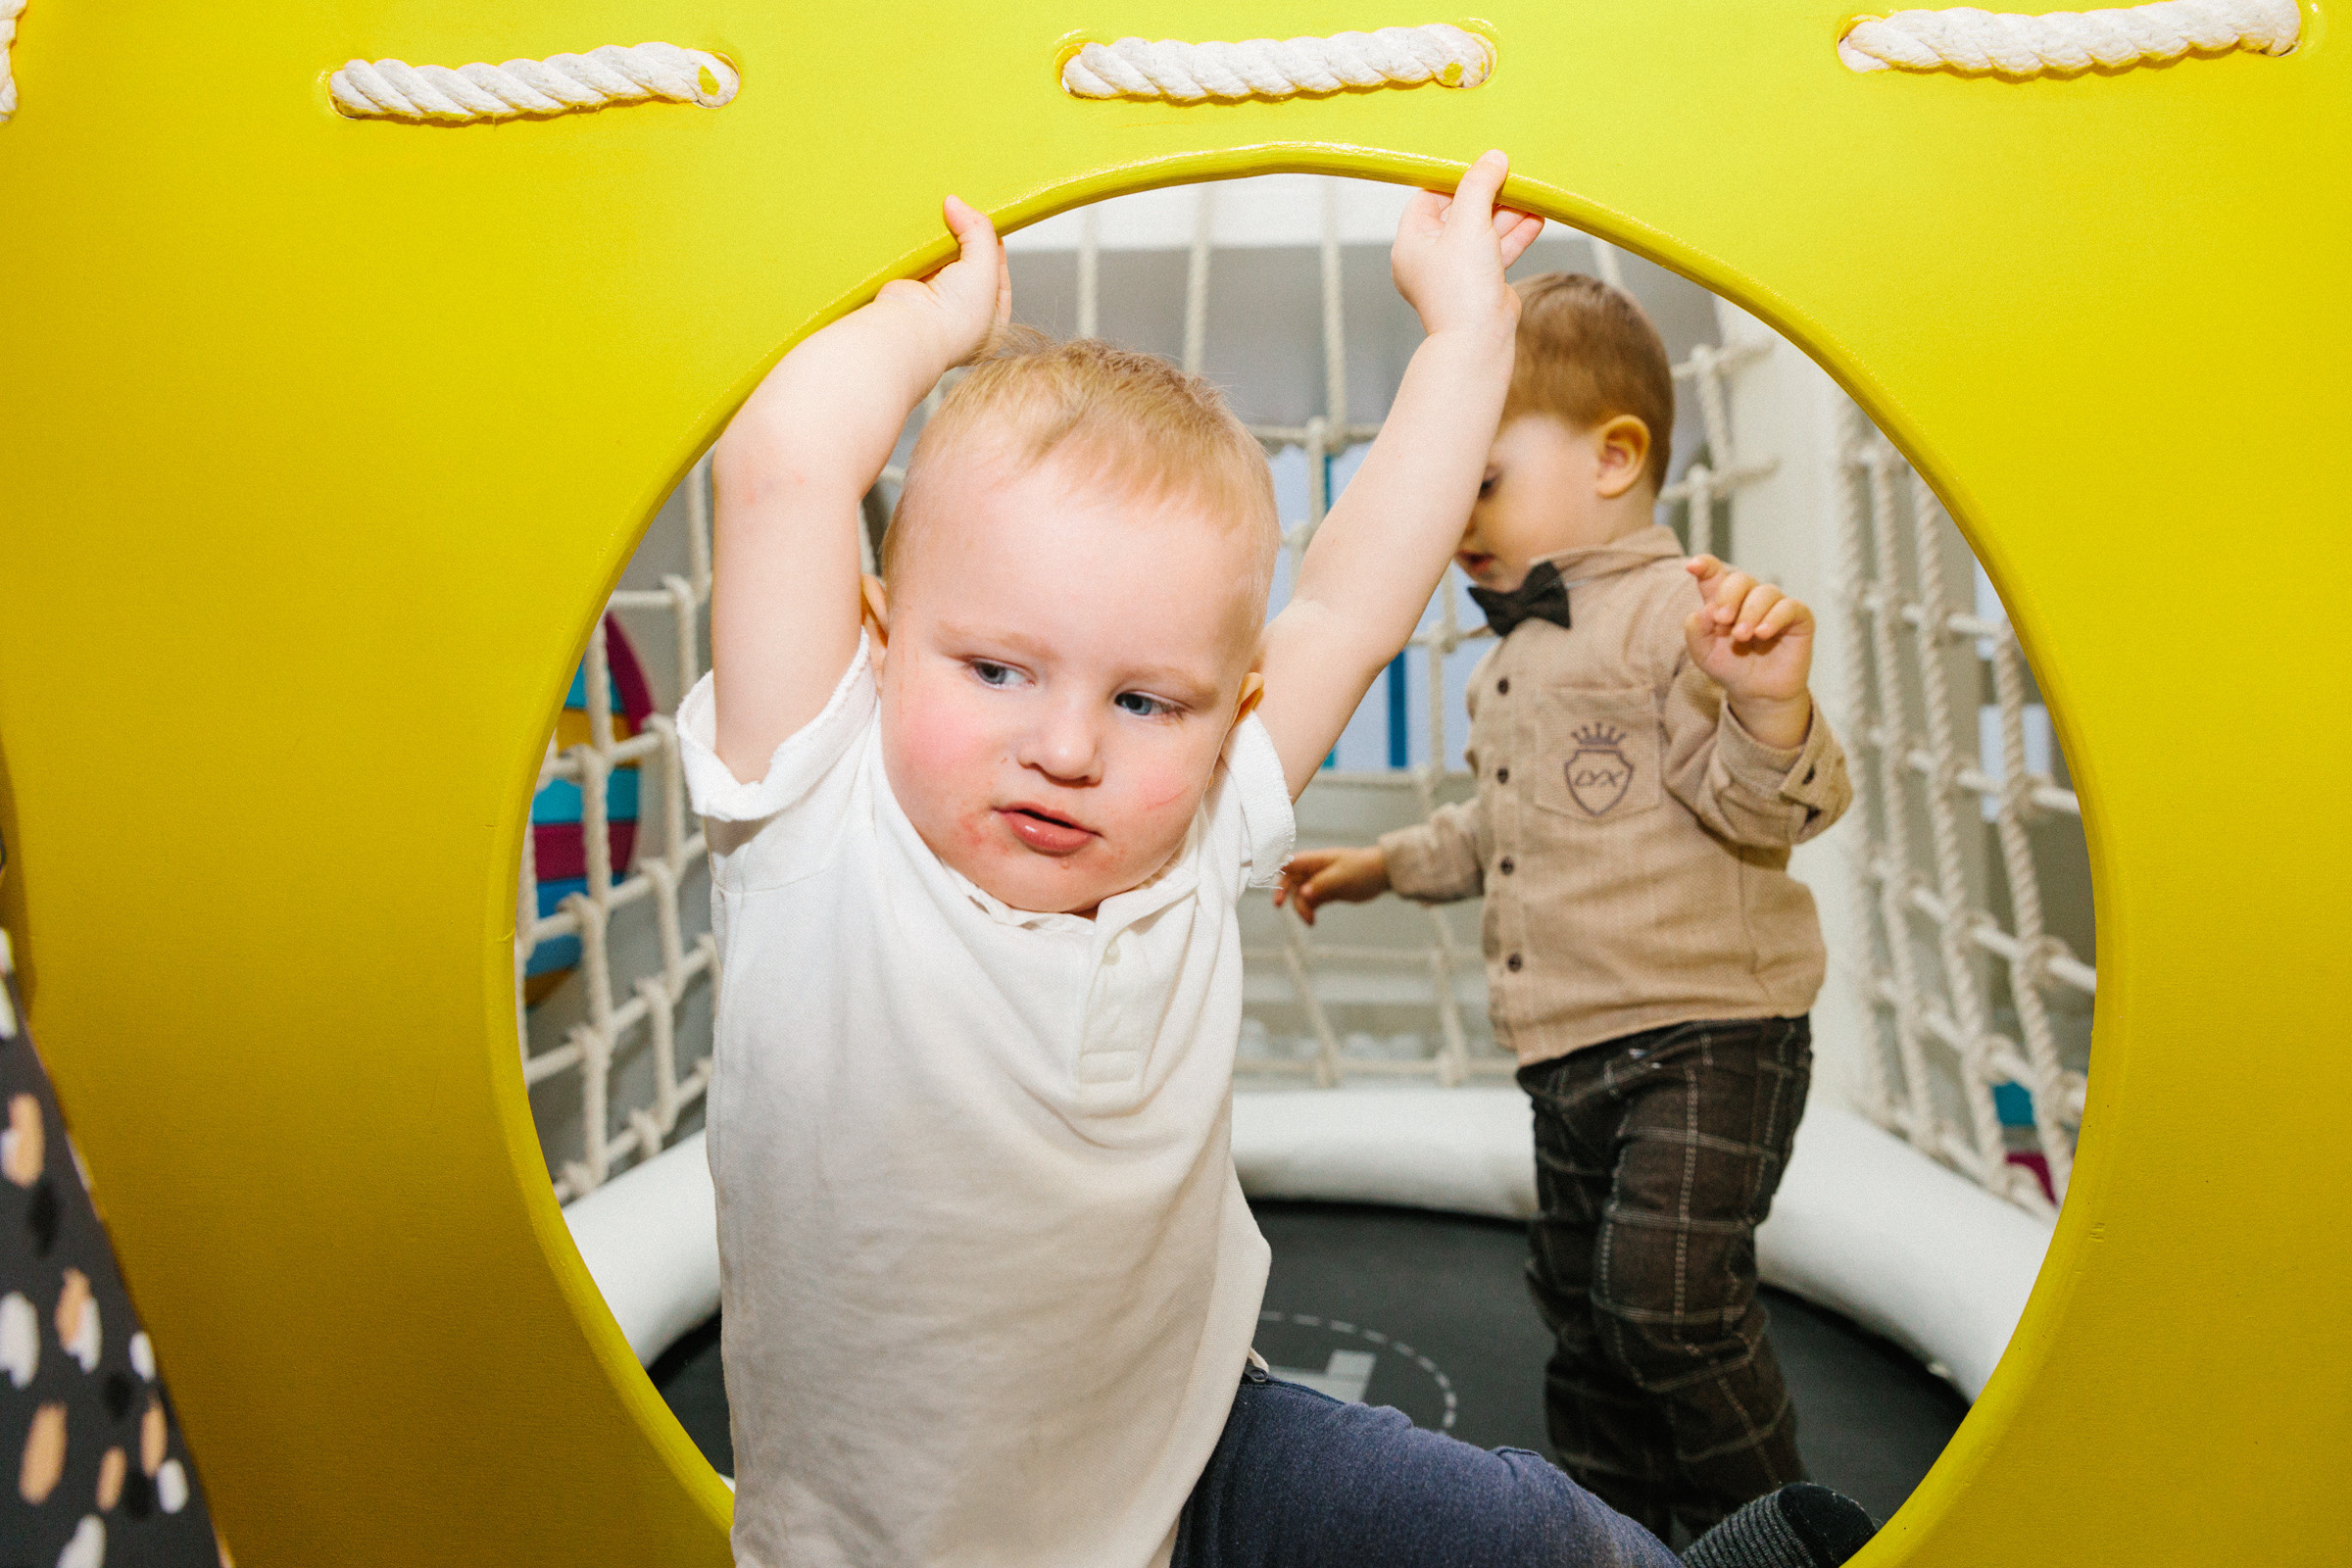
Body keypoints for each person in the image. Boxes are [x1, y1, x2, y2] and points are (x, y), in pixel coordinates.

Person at [683, 148, 1867, 1568]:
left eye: (1143, 700)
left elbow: (1361, 593)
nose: (1068, 746)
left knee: (1524, 1528)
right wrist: (928, 328)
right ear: (877, 640)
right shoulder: (814, 819)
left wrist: (1468, 331)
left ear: (1230, 709)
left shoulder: (1191, 833)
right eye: (996, 669)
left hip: (1201, 1466)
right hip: (892, 1548)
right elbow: (782, 470)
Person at [1274, 271, 1855, 1543]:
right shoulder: (1513, 660)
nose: (1457, 516)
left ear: (1614, 457)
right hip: (1570, 1055)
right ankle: (1620, 1537)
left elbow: (1770, 812)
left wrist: (1764, 704)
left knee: (1666, 1304)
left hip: (1709, 1033)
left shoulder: (1687, 619)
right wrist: (1381, 864)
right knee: (1583, 1317)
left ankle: (1778, 1531)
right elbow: (1509, 829)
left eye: (1480, 478)